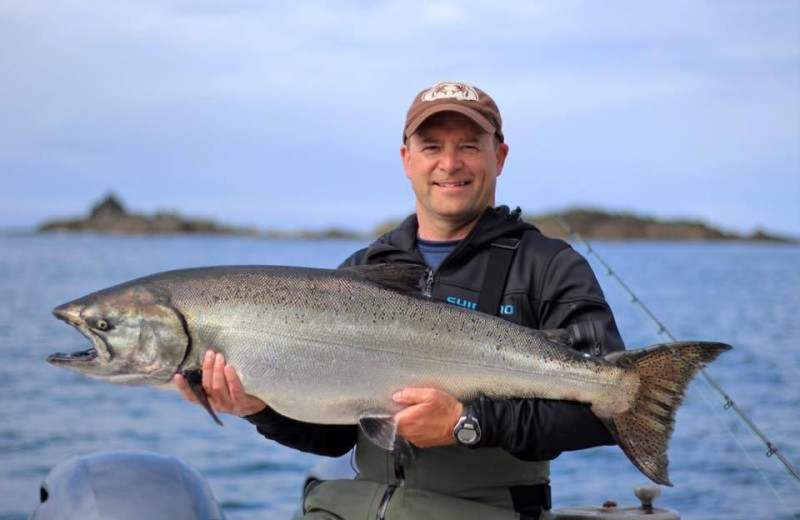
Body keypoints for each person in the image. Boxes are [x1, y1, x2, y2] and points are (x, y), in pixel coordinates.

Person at [175, 81, 625, 520]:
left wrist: (466, 423)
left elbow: (607, 410)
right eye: (431, 147)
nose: (450, 163)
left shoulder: (548, 266)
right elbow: (333, 440)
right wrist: (259, 409)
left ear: (499, 157)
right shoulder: (361, 269)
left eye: (469, 145)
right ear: (407, 159)